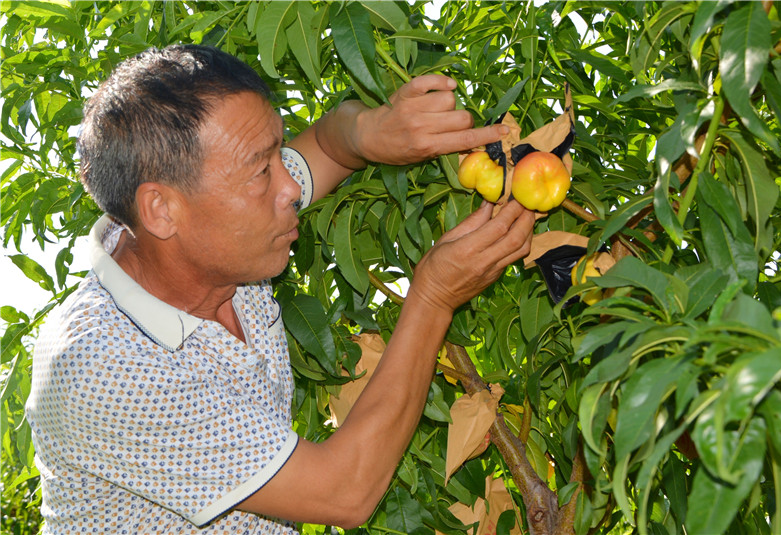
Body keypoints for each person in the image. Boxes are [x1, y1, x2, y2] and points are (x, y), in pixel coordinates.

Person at [26, 44, 536, 533]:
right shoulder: (104, 366)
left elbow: (332, 144)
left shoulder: (215, 241)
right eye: (260, 171)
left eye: (277, 155)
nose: (290, 187)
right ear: (161, 209)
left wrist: (370, 130)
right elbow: (344, 491)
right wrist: (432, 297)